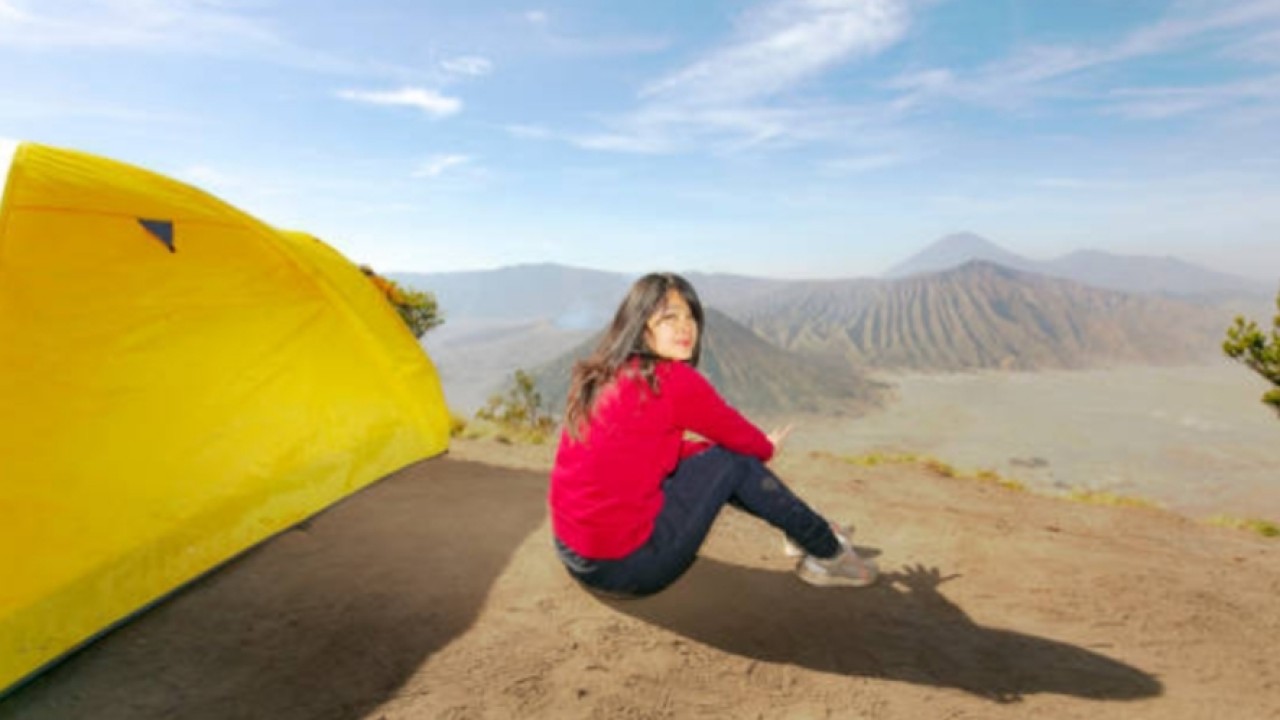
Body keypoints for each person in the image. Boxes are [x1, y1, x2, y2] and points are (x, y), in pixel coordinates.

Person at [548, 272, 878, 598]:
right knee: (734, 462)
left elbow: (653, 450)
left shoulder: (603, 374)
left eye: (690, 315)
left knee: (720, 461)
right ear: (640, 326)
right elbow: (740, 438)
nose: (684, 326)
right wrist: (765, 447)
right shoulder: (671, 380)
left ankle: (802, 533)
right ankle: (827, 552)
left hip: (575, 553)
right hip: (625, 569)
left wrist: (712, 453)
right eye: (668, 317)